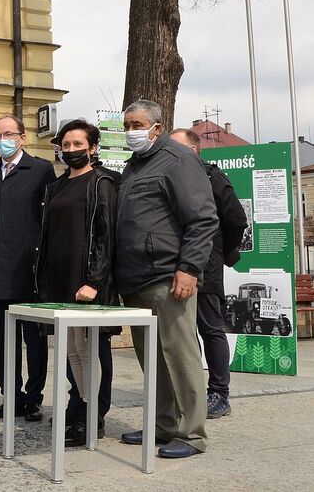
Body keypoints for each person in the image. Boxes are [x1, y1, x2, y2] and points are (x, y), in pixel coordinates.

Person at [116, 100, 219, 459]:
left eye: (137, 124)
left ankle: (192, 434)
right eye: (127, 124)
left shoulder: (177, 160)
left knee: (180, 355)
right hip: (136, 279)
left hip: (167, 276)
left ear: (157, 127)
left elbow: (203, 218)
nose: (131, 131)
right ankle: (163, 426)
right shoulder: (134, 166)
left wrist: (189, 268)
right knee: (153, 359)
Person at [36, 119, 119, 447]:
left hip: (88, 282)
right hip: (60, 280)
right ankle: (79, 405)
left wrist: (94, 282)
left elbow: (106, 236)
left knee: (93, 350)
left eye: (77, 145)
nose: (71, 150)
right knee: (72, 349)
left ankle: (95, 415)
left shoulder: (103, 183)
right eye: (66, 145)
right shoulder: (56, 186)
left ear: (93, 147)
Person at [0, 114, 55, 421]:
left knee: (34, 341)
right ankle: (11, 397)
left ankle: (34, 399)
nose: (3, 139)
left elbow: (49, 220)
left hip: (31, 273)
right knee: (4, 342)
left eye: (9, 134)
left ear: (23, 137)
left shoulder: (40, 170)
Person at [170, 128, 248, 419]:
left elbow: (236, 219)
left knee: (210, 328)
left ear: (193, 150)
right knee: (181, 333)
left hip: (205, 266)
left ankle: (219, 393)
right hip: (173, 265)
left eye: (177, 148)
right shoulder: (172, 176)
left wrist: (222, 253)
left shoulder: (212, 177)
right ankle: (185, 394)